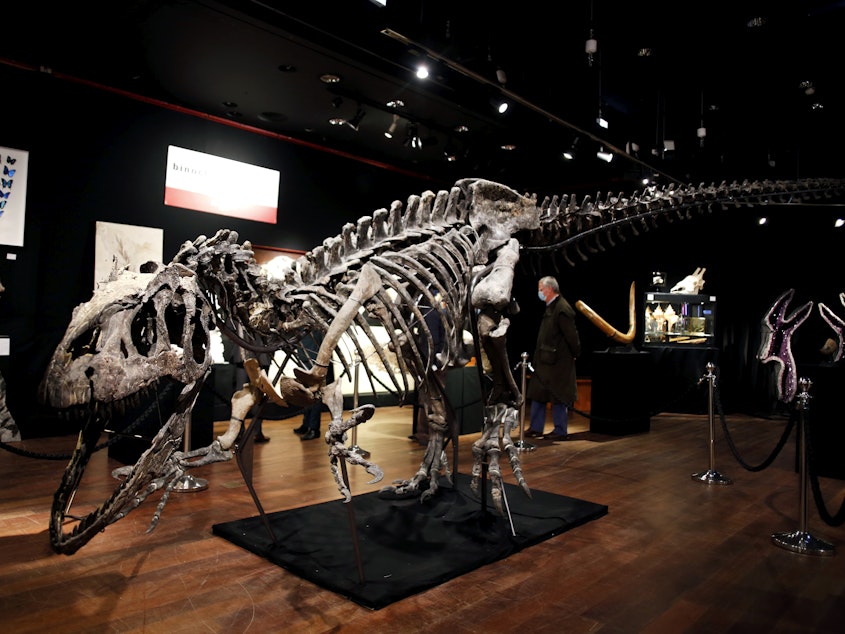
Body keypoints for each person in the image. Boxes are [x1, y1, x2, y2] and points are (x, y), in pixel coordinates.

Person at [526, 275, 581, 441]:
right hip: (545, 361)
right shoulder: (551, 307)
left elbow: (572, 337)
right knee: (538, 393)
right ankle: (536, 427)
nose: (539, 292)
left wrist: (575, 353)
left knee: (558, 395)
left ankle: (560, 430)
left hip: (558, 363)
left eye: (541, 289)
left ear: (549, 289)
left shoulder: (562, 309)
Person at [292, 330, 326, 441]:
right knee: (305, 392)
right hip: (304, 357)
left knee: (315, 393)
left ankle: (314, 428)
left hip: (315, 359)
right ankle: (306, 424)